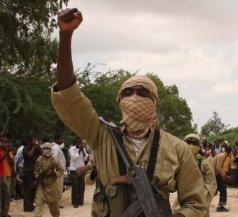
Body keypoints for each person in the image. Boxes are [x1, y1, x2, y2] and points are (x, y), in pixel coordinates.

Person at [51, 8, 208, 217]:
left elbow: (197, 203)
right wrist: (65, 36)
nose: (134, 97)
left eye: (143, 92)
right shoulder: (101, 136)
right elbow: (69, 97)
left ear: (154, 102)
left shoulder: (177, 148)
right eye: (128, 92)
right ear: (120, 100)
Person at [173, 134, 216, 217]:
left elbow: (212, 183)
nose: (191, 146)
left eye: (194, 143)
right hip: (184, 195)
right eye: (188, 142)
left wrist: (203, 197)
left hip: (199, 196)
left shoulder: (204, 163)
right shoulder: (180, 162)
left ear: (199, 147)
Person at [34, 142, 64, 217]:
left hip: (52, 186)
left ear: (51, 149)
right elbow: (36, 172)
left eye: (47, 148)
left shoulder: (55, 160)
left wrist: (53, 173)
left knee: (54, 208)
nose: (46, 150)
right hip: (42, 186)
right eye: (44, 148)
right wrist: (38, 177)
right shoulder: (39, 160)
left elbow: (61, 171)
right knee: (38, 205)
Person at [22, 137, 42, 212]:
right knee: (28, 190)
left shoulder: (36, 149)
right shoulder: (25, 149)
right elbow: (29, 155)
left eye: (35, 140)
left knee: (33, 190)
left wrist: (38, 147)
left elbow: (42, 154)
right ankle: (27, 207)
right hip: (28, 172)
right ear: (29, 141)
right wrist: (34, 147)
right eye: (33, 140)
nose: (35, 142)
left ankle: (31, 205)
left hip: (35, 172)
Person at [210, 146, 232, 212]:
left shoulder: (221, 155)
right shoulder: (222, 156)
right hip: (214, 174)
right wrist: (225, 175)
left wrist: (222, 175)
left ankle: (201, 203)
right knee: (223, 189)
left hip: (214, 174)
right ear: (230, 152)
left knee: (214, 191)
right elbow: (218, 167)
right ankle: (220, 206)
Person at [68, 137, 88, 208]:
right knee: (75, 187)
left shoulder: (83, 149)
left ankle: (80, 201)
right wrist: (79, 150)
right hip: (74, 170)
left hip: (81, 169)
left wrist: (83, 151)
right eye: (78, 142)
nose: (79, 143)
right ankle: (75, 202)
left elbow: (85, 158)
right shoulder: (71, 149)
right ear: (75, 142)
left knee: (81, 186)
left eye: (80, 142)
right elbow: (74, 158)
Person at [51, 136, 66, 207]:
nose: (62, 140)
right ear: (56, 139)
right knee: (58, 187)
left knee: (58, 187)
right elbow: (54, 158)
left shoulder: (56, 146)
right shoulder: (55, 147)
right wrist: (55, 170)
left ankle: (56, 202)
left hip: (59, 170)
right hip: (58, 171)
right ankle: (56, 203)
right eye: (61, 138)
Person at [0, 136, 13, 217]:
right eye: (4, 141)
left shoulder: (8, 151)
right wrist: (6, 153)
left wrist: (8, 153)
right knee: (2, 195)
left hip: (8, 173)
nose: (5, 143)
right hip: (1, 174)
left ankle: (5, 213)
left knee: (7, 195)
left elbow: (11, 162)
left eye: (6, 141)